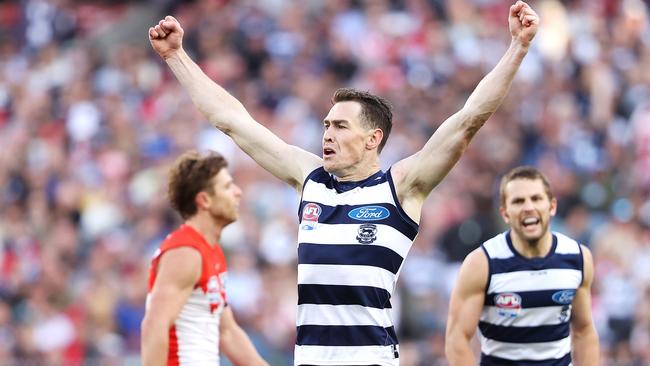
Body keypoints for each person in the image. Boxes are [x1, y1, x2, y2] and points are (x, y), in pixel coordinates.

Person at [148, 2, 538, 365]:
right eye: (325, 126)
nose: (327, 135)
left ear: (373, 139)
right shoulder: (310, 179)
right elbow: (231, 120)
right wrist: (175, 56)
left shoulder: (400, 188)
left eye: (340, 126)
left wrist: (517, 48)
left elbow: (468, 120)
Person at [445, 166, 600, 365]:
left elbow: (584, 331)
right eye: (518, 201)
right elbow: (457, 339)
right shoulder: (482, 263)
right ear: (505, 213)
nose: (528, 207)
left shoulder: (578, 258)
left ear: (552, 206)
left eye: (536, 199)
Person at [140, 151, 268, 366]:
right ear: (204, 200)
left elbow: (227, 331)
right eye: (228, 187)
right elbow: (154, 326)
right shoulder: (185, 252)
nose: (238, 192)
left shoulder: (210, 250)